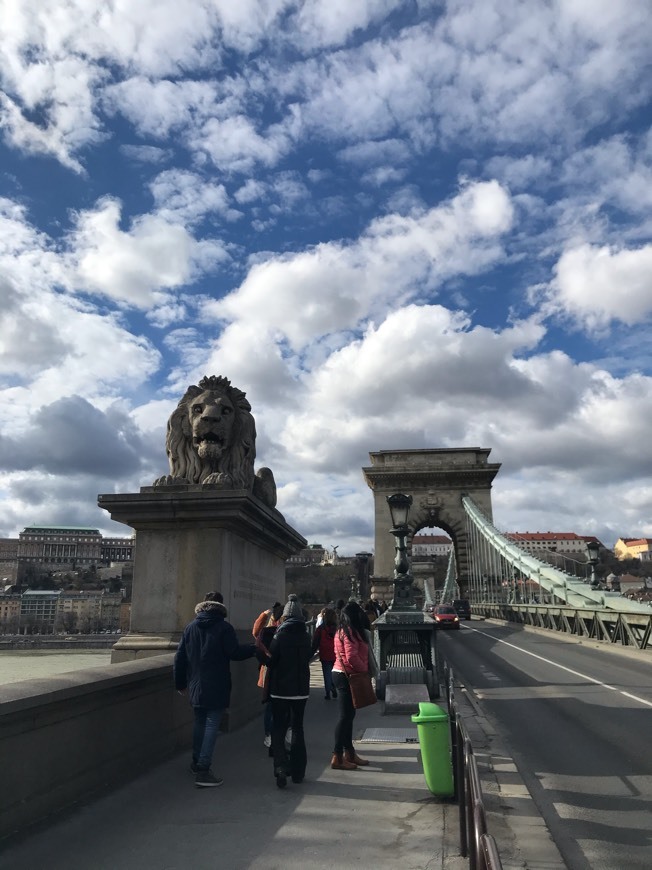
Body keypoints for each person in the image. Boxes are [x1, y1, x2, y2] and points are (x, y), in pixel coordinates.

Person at [174, 591, 257, 788]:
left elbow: (180, 658)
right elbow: (234, 652)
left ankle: (196, 762)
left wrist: (180, 683)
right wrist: (254, 648)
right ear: (221, 606)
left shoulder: (190, 627)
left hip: (195, 683)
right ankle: (203, 769)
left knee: (199, 722)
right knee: (212, 724)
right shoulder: (224, 628)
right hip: (217, 683)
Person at [264, 593, 312, 789]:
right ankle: (299, 771)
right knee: (298, 728)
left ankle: (281, 767)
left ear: (284, 617)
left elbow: (272, 661)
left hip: (280, 690)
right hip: (301, 690)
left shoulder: (280, 635)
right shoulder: (306, 635)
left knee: (279, 728)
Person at [330, 601, 371, 771]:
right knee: (345, 716)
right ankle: (337, 756)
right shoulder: (349, 633)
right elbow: (352, 657)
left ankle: (349, 753)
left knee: (349, 716)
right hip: (345, 676)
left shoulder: (343, 631)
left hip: (340, 673)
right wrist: (365, 669)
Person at [252, 602, 283, 749]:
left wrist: (265, 613)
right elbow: (256, 631)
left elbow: (256, 631)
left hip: (274, 673)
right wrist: (265, 614)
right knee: (273, 707)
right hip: (273, 673)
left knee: (273, 707)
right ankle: (271, 734)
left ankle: (272, 735)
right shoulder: (268, 632)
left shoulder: (276, 631)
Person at [311, 606, 338, 700]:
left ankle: (328, 691)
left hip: (324, 653)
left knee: (326, 673)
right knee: (334, 672)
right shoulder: (337, 629)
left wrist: (310, 654)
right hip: (335, 654)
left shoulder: (320, 629)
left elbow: (315, 643)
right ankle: (334, 686)